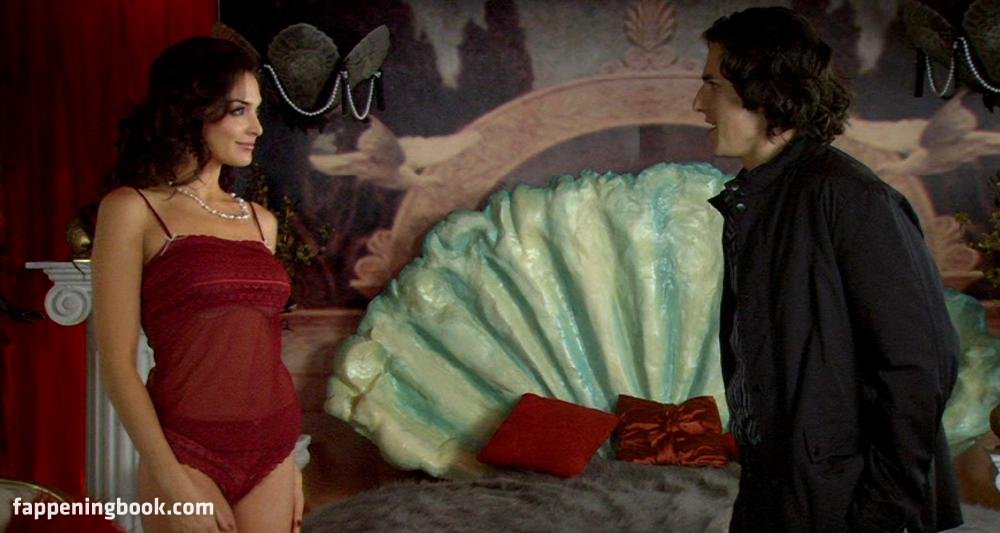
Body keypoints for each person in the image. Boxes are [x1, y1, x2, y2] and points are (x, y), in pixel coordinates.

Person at [693, 7, 962, 532]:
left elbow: (919, 366)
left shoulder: (850, 196)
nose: (699, 103)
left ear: (766, 91)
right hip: (779, 486)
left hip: (846, 503)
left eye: (712, 84)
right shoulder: (761, 197)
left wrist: (880, 514)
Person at [92, 37, 303, 532]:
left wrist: (291, 461)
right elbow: (117, 365)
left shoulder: (262, 222)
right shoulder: (132, 209)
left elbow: (263, 349)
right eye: (239, 110)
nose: (257, 128)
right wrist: (173, 482)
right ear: (194, 110)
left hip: (273, 448)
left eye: (257, 111)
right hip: (186, 451)